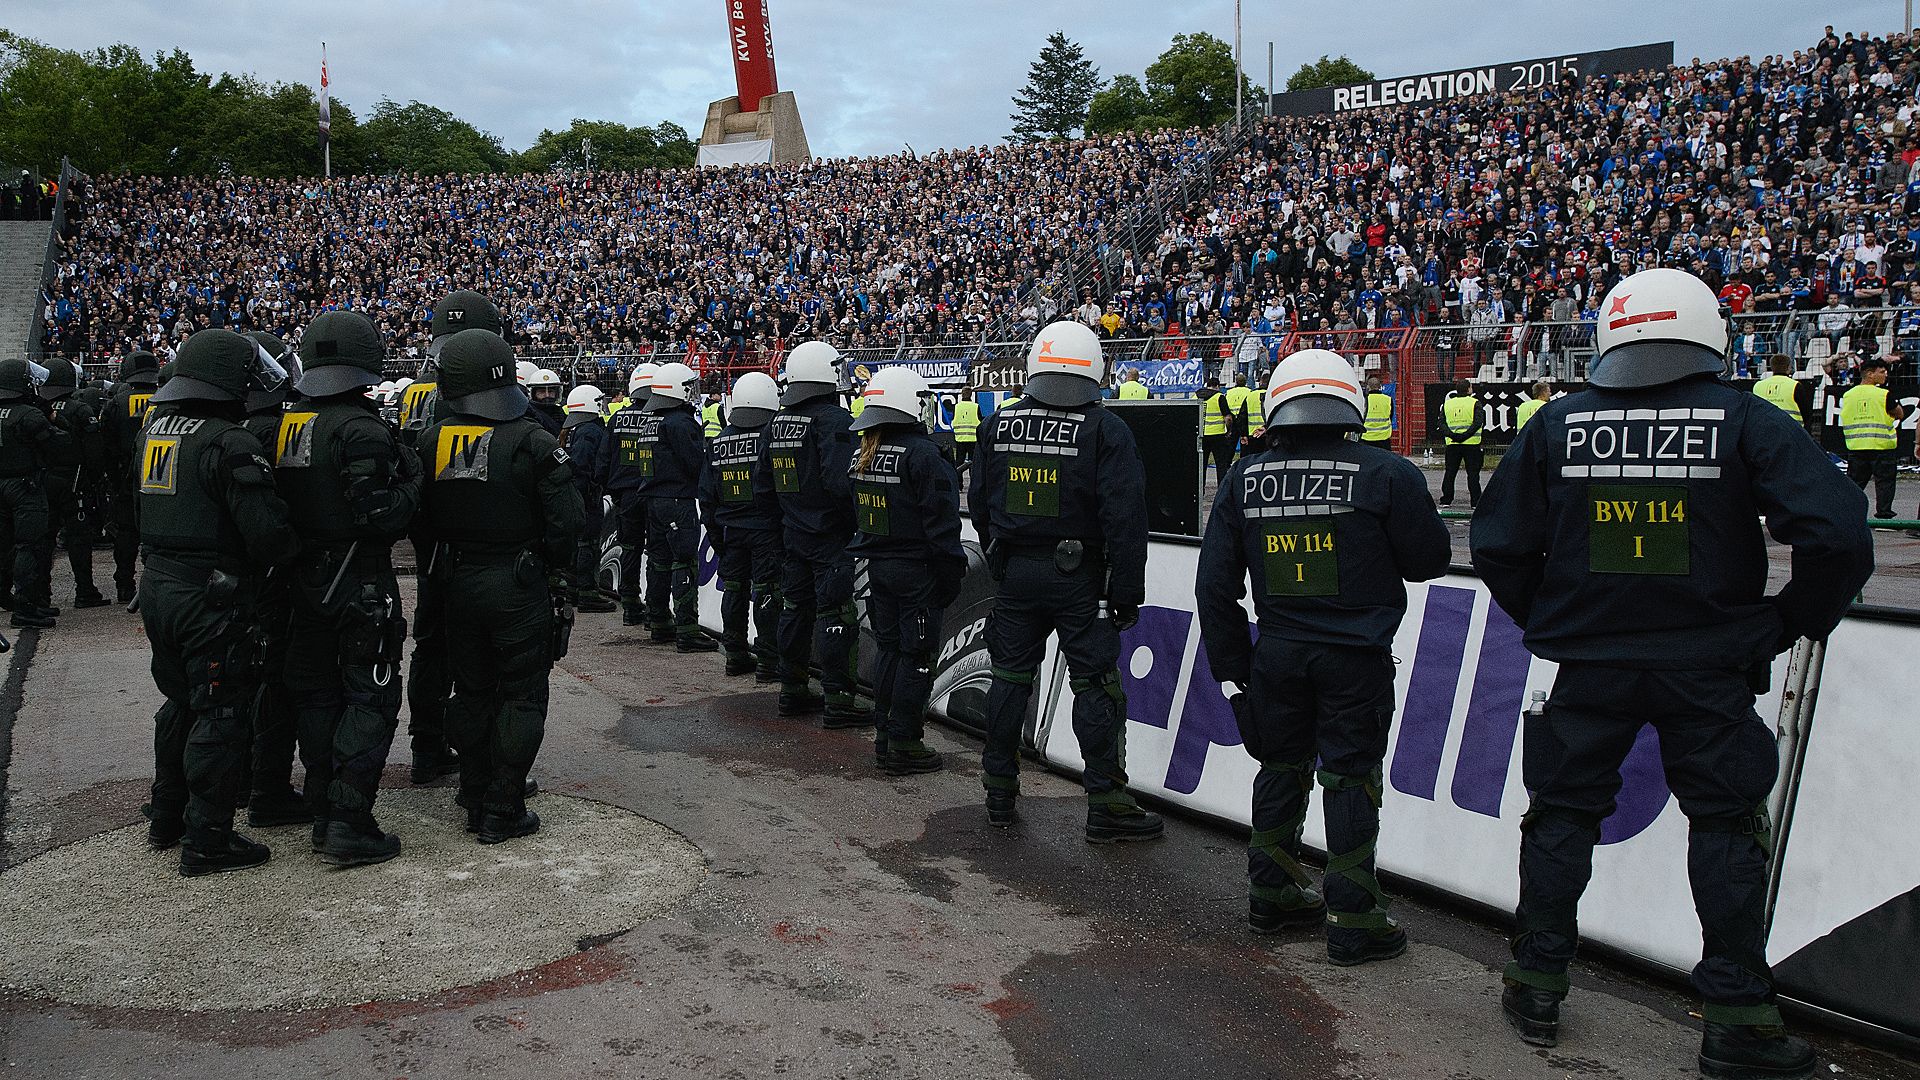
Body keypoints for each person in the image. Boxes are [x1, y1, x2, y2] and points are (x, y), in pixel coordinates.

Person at [1472, 268, 1873, 1080]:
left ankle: (1536, 984)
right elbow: (1837, 536)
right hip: (1708, 667)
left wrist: (1558, 622)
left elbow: (1499, 545)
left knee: (1561, 817)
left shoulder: (1558, 424)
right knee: (1726, 827)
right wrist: (1783, 623)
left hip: (1592, 666)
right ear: (1709, 334)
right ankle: (1739, 1023)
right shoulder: (1745, 419)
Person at [1197, 348, 1449, 962]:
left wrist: (1234, 676)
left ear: (1276, 407)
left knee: (1280, 766)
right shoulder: (1388, 474)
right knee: (1350, 777)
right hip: (1355, 659)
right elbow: (1428, 561)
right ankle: (1353, 919)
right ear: (1350, 405)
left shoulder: (1243, 477)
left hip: (1278, 655)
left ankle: (1272, 892)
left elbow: (1214, 587)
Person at [969, 321, 1157, 840]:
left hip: (1016, 574)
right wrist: (1126, 594)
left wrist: (1002, 558)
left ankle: (998, 791)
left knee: (1008, 680)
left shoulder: (997, 425)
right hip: (1081, 580)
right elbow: (1125, 520)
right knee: (1096, 687)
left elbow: (981, 505)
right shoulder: (1106, 430)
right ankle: (1107, 804)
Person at [135, 329, 299, 876]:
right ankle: (208, 839)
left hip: (159, 583)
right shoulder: (230, 442)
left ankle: (166, 815)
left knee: (179, 701)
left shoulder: (155, 431)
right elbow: (268, 535)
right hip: (211, 594)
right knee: (221, 710)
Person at [415, 329, 582, 844]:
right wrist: (552, 570)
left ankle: (473, 791)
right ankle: (503, 806)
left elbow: (417, 517)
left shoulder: (429, 441)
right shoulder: (533, 441)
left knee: (471, 691)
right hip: (517, 582)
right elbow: (568, 523)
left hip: (456, 581)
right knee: (522, 695)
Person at [274, 311, 421, 865]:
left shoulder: (291, 422)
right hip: (358, 578)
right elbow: (382, 517)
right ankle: (349, 819)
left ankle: (322, 811)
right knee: (371, 698)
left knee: (316, 694)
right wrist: (414, 484)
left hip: (304, 578)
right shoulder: (362, 429)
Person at [404, 290, 504, 784]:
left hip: (427, 533)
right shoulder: (468, 388)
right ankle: (479, 758)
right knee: (476, 650)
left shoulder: (414, 391)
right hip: (472, 536)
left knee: (429, 644)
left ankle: (426, 744)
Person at [848, 366, 966, 775]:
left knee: (889, 651)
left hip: (879, 567)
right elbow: (942, 524)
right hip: (917, 571)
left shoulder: (863, 452)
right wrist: (950, 576)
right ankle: (904, 743)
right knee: (916, 657)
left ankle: (885, 735)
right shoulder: (924, 455)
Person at [754, 341, 870, 726]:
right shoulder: (834, 421)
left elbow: (762, 487)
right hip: (829, 536)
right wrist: (854, 524)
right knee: (836, 613)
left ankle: (792, 688)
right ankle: (839, 699)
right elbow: (840, 483)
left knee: (794, 609)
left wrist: (781, 530)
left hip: (792, 533)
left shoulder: (776, 423)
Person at [235, 330, 310, 829]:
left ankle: (233, 779)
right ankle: (268, 787)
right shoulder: (275, 429)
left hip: (215, 578)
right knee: (277, 681)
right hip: (272, 577)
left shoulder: (194, 427)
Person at [701, 371, 784, 681]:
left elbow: (707, 497)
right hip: (766, 531)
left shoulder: (719, 442)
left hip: (731, 531)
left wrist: (717, 538)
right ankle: (768, 661)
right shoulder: (772, 437)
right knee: (768, 592)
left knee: (734, 590)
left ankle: (735, 655)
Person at [636, 362, 717, 652]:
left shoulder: (650, 421)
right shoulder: (680, 423)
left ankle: (658, 620)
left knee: (658, 561)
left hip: (653, 500)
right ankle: (687, 630)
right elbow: (695, 463)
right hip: (676, 501)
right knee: (683, 562)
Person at [38, 358, 109, 609]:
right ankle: (85, 590)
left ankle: (42, 594)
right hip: (75, 480)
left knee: (44, 540)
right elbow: (94, 452)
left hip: (44, 480)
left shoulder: (38, 408)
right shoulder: (80, 410)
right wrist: (96, 478)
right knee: (79, 539)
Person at [0, 359, 65, 629]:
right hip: (25, 486)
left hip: (2, 485)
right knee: (29, 546)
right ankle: (25, 607)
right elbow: (59, 445)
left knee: (4, 545)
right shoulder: (28, 415)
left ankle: (7, 596)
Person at [104, 350, 160, 605]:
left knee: (125, 533)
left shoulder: (116, 402)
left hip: (125, 475)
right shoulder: (164, 398)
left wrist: (114, 479)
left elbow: (106, 444)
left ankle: (124, 585)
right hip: (157, 474)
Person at [608, 362, 659, 626]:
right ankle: (655, 610)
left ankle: (629, 605)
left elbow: (606, 457)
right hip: (653, 492)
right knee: (656, 552)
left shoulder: (617, 419)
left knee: (630, 549)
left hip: (626, 494)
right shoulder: (659, 418)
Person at [560, 384, 616, 614]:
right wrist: (590, 489)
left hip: (577, 494)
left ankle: (574, 589)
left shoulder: (575, 429)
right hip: (586, 495)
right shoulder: (590, 431)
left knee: (580, 543)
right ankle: (587, 593)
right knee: (588, 544)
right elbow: (582, 464)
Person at [1840, 357, 1905, 519]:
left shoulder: (1848, 395)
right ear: (1870, 374)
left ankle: (1847, 514)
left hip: (1856, 445)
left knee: (1855, 483)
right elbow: (1899, 413)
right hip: (1881, 446)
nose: (1885, 375)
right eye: (1881, 372)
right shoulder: (1883, 394)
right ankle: (1884, 514)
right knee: (1885, 483)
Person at [1438, 380, 1484, 507]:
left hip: (1452, 443)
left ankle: (1446, 500)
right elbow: (1478, 422)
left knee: (1450, 472)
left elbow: (1441, 423)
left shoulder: (1447, 404)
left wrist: (1453, 435)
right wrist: (1465, 435)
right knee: (1473, 474)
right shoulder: (1475, 403)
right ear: (1468, 389)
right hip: (1471, 443)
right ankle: (1475, 501)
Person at [1751, 356, 1805, 426]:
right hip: (1792, 428)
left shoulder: (1758, 386)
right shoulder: (1795, 385)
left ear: (1771, 367)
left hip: (1764, 428)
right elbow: (1805, 412)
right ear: (1789, 367)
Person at [1200, 378, 1234, 477]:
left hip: (1201, 435)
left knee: (1201, 464)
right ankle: (1222, 486)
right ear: (1218, 386)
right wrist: (1229, 430)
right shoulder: (1219, 397)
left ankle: (1200, 486)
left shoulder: (1196, 396)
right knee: (1221, 464)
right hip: (1218, 435)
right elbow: (1228, 418)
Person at [526, 367, 565, 435]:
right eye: (542, 391)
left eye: (550, 391)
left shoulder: (559, 411)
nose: (547, 395)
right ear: (533, 394)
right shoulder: (529, 413)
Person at [950, 391, 981, 473]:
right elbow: (981, 422)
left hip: (960, 438)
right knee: (973, 462)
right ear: (971, 395)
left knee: (959, 462)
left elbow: (953, 421)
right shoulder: (975, 406)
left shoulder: (956, 407)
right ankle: (973, 480)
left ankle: (958, 480)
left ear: (962, 395)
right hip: (973, 439)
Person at [1360, 376, 1393, 447]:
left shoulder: (1364, 400)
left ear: (1368, 387)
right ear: (1380, 386)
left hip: (1367, 437)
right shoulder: (1388, 399)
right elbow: (1390, 416)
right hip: (1384, 437)